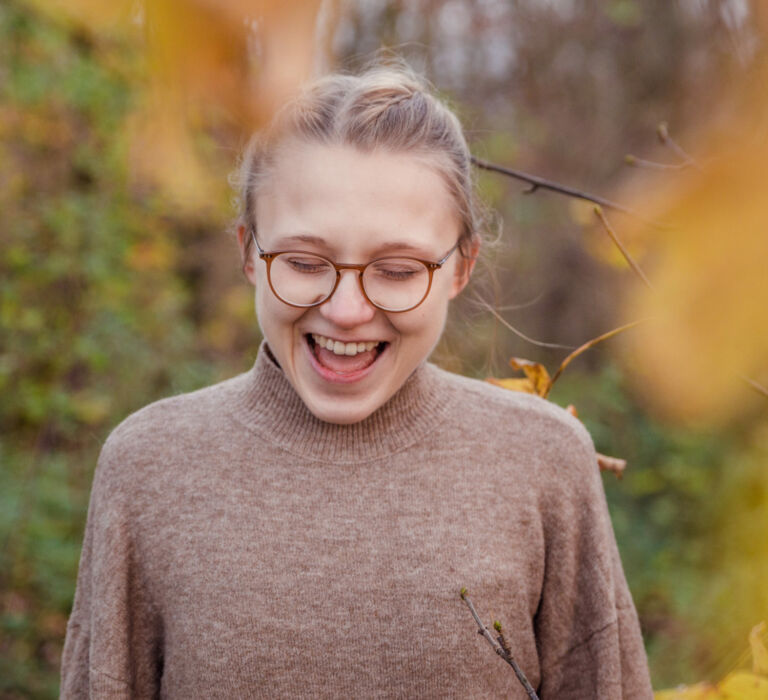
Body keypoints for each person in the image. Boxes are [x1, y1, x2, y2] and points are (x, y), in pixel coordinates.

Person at [60, 64, 652, 699]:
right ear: (247, 254)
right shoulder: (149, 466)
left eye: (397, 270)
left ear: (461, 268)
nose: (346, 309)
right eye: (305, 262)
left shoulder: (545, 461)